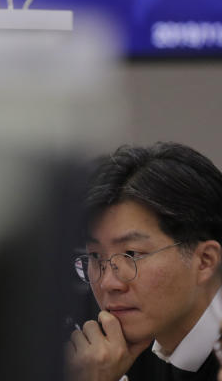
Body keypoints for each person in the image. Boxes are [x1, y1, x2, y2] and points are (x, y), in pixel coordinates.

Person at [68, 142, 222, 381]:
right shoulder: (118, 355)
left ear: (204, 261)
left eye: (132, 254)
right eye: (95, 256)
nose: (109, 283)